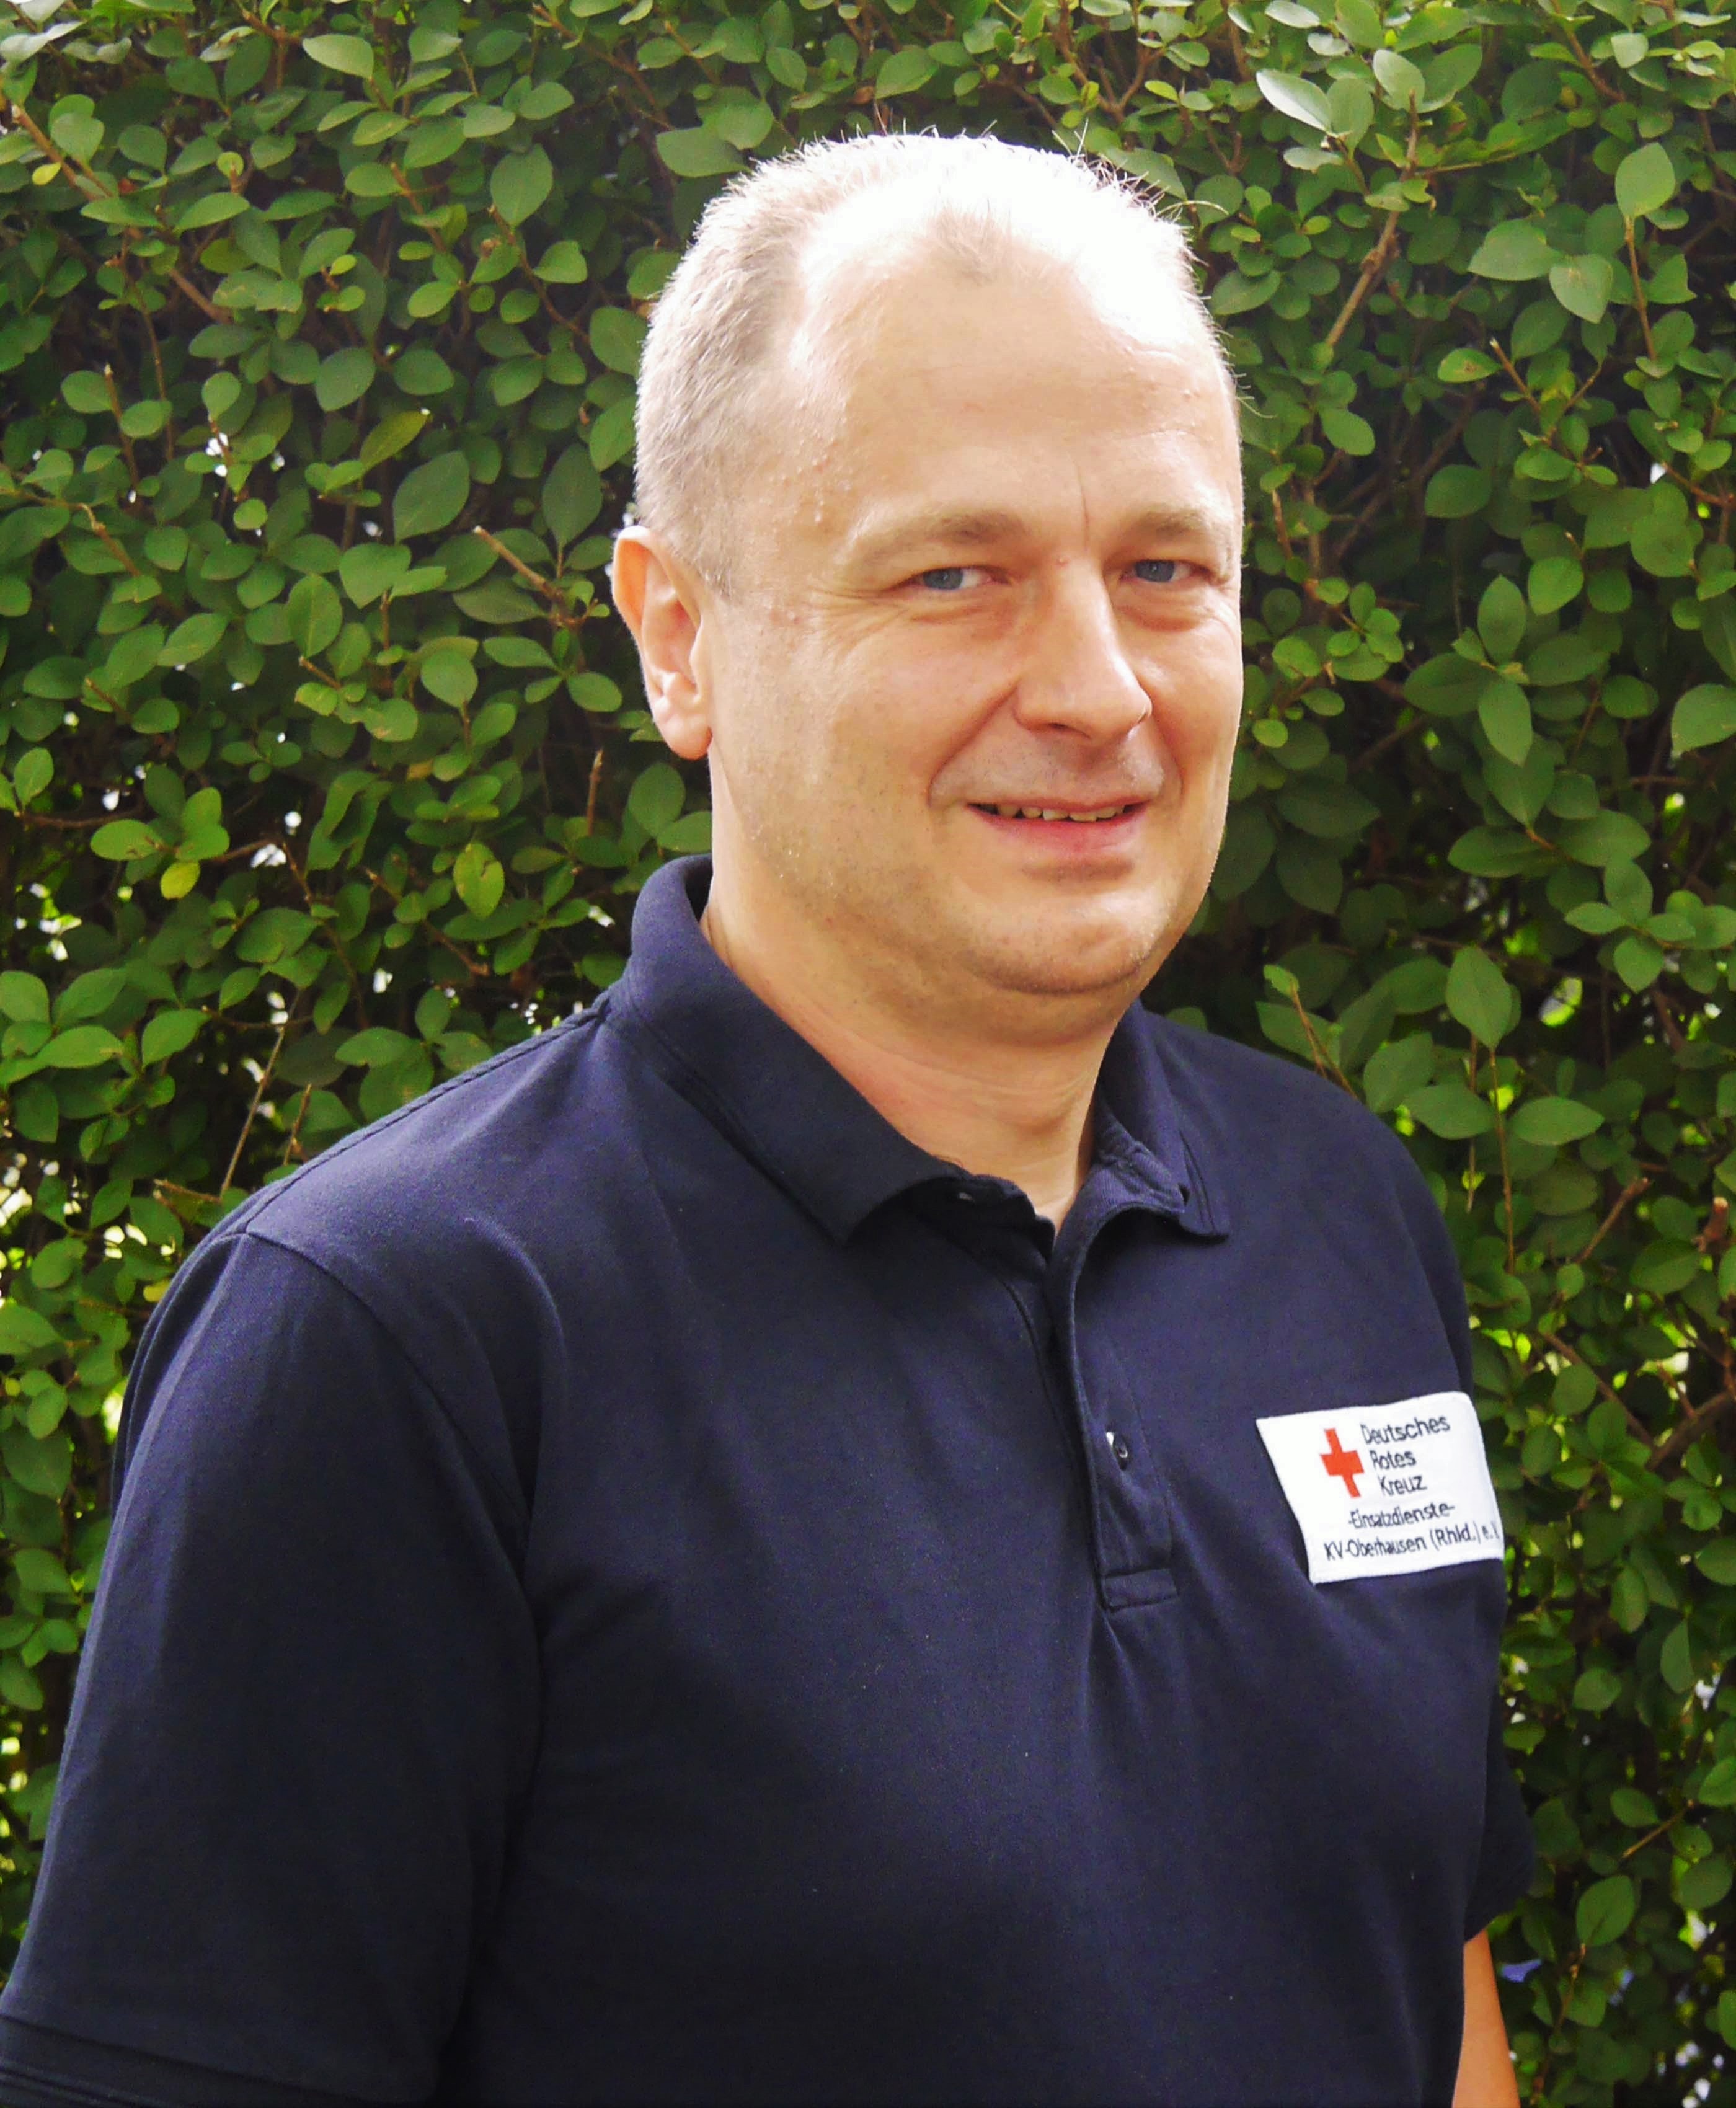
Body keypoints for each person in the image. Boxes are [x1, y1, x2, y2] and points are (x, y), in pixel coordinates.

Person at [0, 134, 1531, 2107]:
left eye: (1166, 571)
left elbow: (1427, 1977)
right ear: (679, 635)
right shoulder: (395, 1340)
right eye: (954, 575)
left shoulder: (1336, 1211)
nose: (1096, 690)